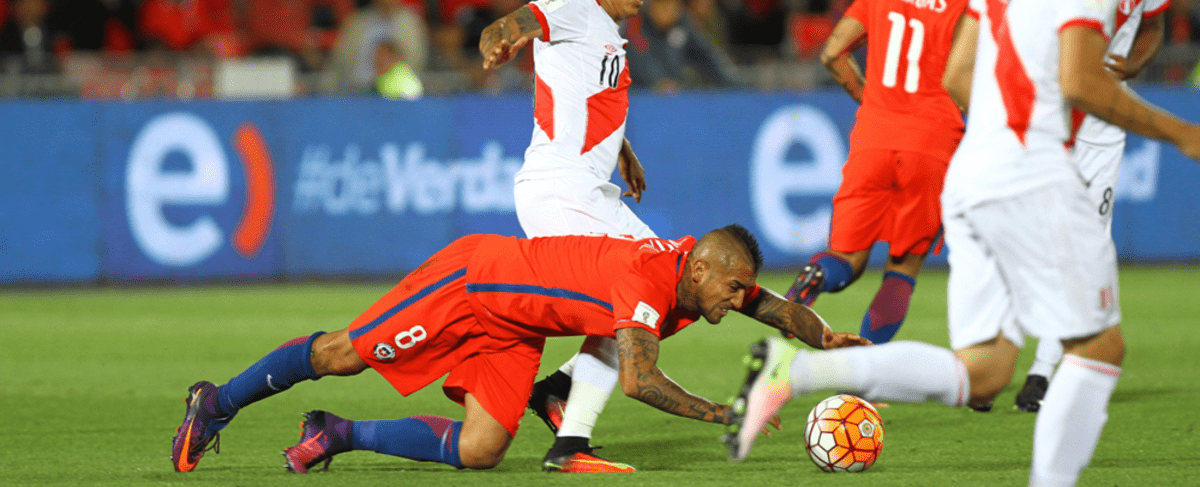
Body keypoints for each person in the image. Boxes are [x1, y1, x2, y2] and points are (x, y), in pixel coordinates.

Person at [729, 0, 1200, 486]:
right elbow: (1082, 80)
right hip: (1027, 169)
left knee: (986, 370)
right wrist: (1182, 133)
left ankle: (797, 373)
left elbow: (957, 75)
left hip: (973, 170)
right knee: (1098, 346)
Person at [170, 225, 869, 474]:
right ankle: (218, 402)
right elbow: (638, 382)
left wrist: (823, 333)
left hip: (517, 325)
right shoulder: (646, 286)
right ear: (702, 270)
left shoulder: (700, 277)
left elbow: (775, 306)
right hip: (471, 282)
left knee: (481, 450)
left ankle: (335, 434)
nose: (736, 299)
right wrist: (726, 415)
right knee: (341, 355)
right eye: (731, 288)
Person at [477, 0, 658, 472]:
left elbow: (591, 98)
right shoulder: (576, 3)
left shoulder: (607, 30)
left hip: (593, 191)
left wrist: (622, 151)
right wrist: (500, 41)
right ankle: (570, 442)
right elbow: (513, 23)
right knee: (632, 297)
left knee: (662, 278)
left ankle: (558, 391)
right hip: (559, 193)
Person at [784, 0, 998, 345]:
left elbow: (832, 52)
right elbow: (966, 78)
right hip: (932, 142)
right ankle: (864, 378)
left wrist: (873, 100)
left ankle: (809, 287)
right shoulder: (970, 2)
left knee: (844, 259)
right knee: (903, 268)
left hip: (874, 136)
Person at [1012, 0, 1169, 413]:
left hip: (1101, 129)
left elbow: (1154, 24)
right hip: (1046, 121)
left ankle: (1045, 371)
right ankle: (988, 363)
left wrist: (1133, 64)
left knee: (1084, 247)